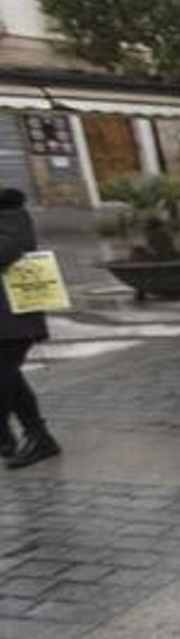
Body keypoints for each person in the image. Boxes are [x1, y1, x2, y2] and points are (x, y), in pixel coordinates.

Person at [0, 188, 60, 469]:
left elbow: (11, 249)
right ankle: (37, 436)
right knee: (10, 378)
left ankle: (21, 436)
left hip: (13, 316)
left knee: (4, 376)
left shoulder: (10, 210)